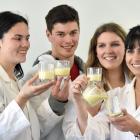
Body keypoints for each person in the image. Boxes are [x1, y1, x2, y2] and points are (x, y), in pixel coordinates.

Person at [63, 25, 140, 140]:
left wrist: (137, 129)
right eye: (102, 46)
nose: (108, 51)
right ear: (95, 51)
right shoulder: (113, 95)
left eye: (115, 44)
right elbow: (93, 136)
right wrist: (81, 104)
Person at [21, 4, 84, 140]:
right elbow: (29, 133)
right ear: (48, 35)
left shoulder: (88, 75)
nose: (68, 40)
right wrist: (55, 103)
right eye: (60, 34)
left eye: (73, 33)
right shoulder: (32, 78)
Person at [0, 11, 57, 140]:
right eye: (18, 38)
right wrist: (22, 98)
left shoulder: (17, 82)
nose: (26, 44)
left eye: (27, 38)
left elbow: (31, 130)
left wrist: (56, 100)